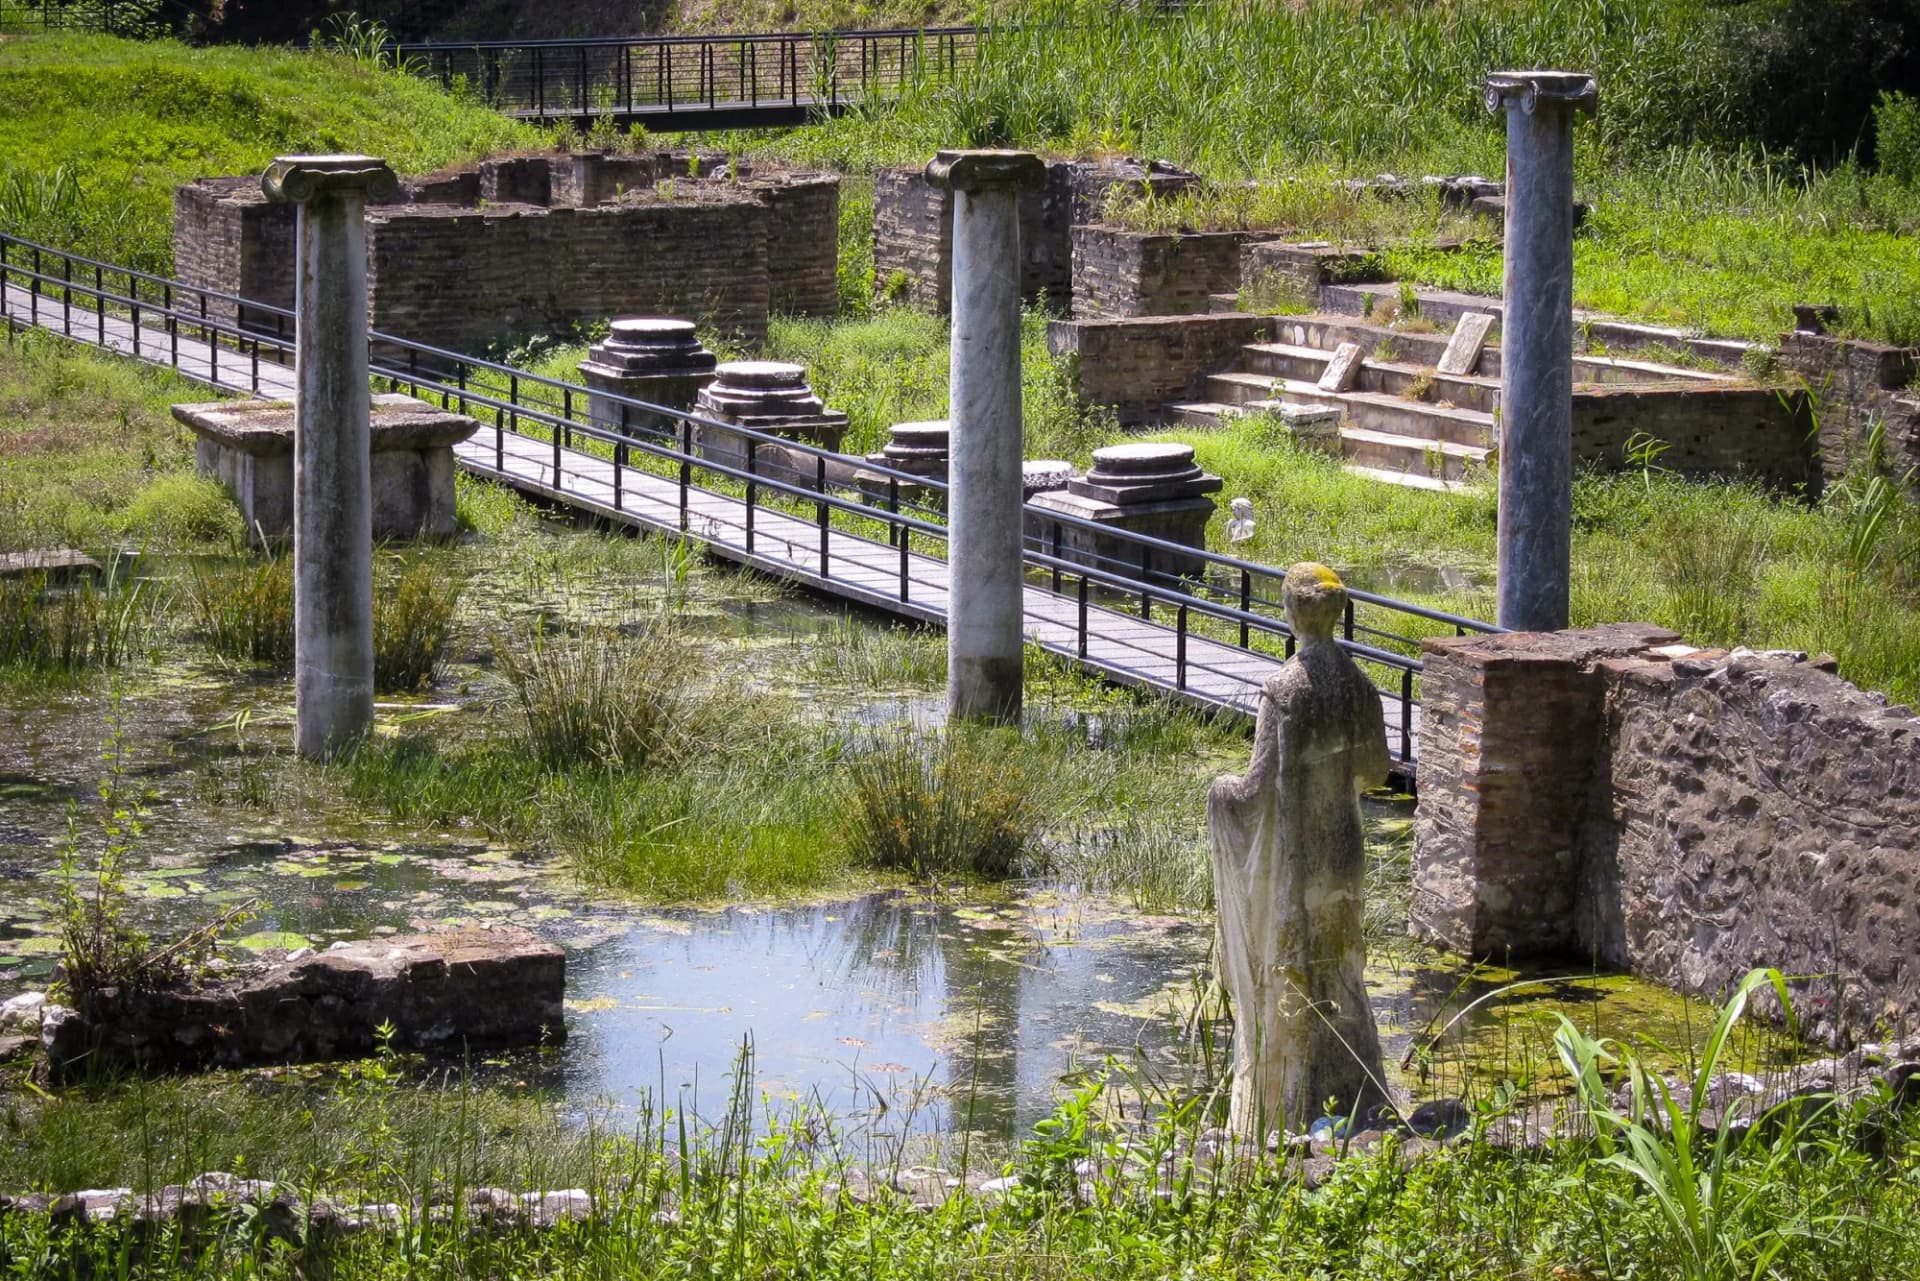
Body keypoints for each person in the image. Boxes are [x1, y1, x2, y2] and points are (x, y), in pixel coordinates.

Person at [1207, 561, 1391, 1140]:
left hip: (1298, 852)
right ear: (1337, 615)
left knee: (1295, 974)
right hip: (1344, 847)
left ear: (1290, 614)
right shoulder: (1360, 686)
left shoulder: (1283, 691)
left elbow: (1257, 787)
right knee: (1340, 969)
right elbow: (1377, 770)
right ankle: (1355, 1098)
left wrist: (1220, 793)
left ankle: (1287, 1110)